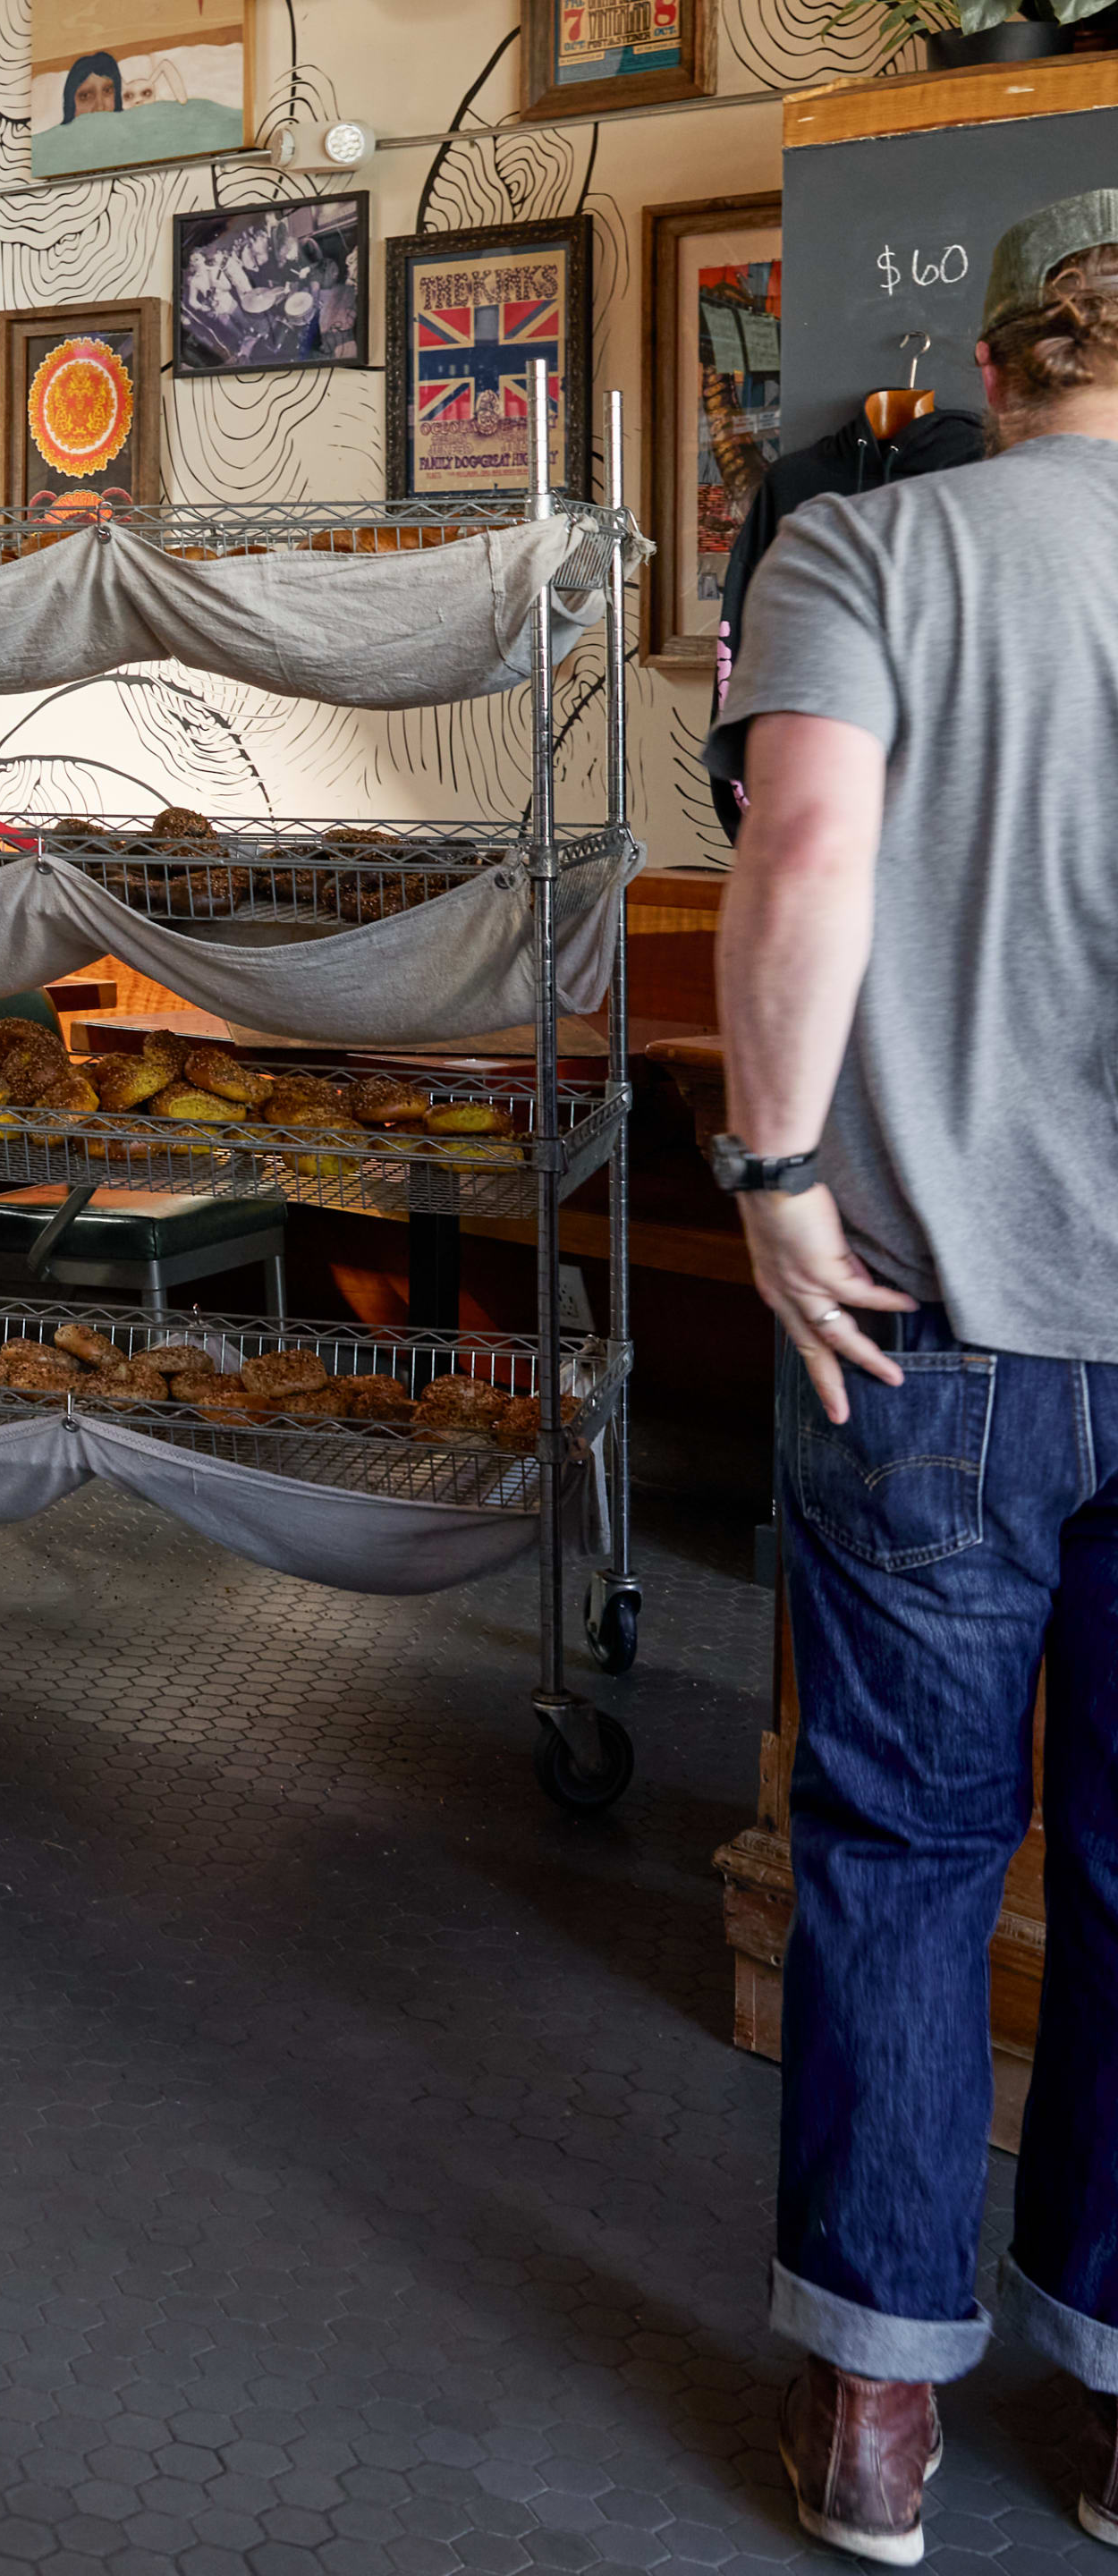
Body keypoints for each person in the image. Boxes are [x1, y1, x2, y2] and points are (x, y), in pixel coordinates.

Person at [708, 186, 1118, 2566]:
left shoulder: (869, 554)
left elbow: (805, 853)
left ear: (985, 364)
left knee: (897, 1857)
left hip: (921, 1322)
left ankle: (876, 2417)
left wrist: (772, 1170)